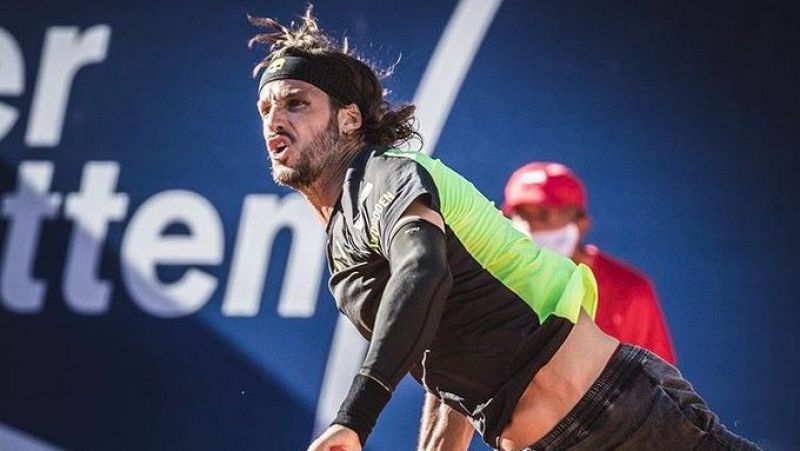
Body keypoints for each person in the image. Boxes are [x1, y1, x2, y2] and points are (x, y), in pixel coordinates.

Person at [248, 6, 758, 451]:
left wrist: (354, 418)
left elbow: (423, 273)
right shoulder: (346, 235)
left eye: (296, 102)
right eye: (266, 108)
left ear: (350, 120)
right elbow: (447, 356)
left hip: (616, 415)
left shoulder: (385, 173)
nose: (275, 119)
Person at [502, 162, 677, 364]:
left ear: (581, 222)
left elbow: (653, 374)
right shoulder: (497, 277)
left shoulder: (630, 291)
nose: (531, 228)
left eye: (545, 216)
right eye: (522, 216)